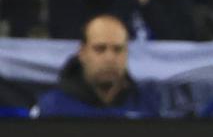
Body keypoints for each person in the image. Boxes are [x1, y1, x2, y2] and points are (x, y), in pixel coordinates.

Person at [30, 14, 161, 118]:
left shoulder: (145, 104)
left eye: (118, 49)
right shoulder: (53, 107)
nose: (110, 58)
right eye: (100, 49)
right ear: (82, 53)